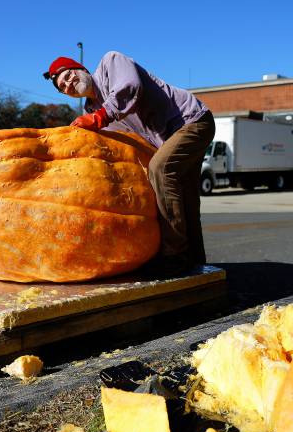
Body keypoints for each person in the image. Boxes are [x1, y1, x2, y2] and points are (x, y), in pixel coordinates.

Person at [43, 51, 215, 275]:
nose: (68, 84)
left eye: (67, 75)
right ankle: (198, 267)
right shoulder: (90, 109)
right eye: (62, 87)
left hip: (191, 121)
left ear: (81, 69)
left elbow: (131, 87)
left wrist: (99, 118)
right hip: (166, 140)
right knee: (186, 199)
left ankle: (174, 255)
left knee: (160, 169)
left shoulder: (110, 63)